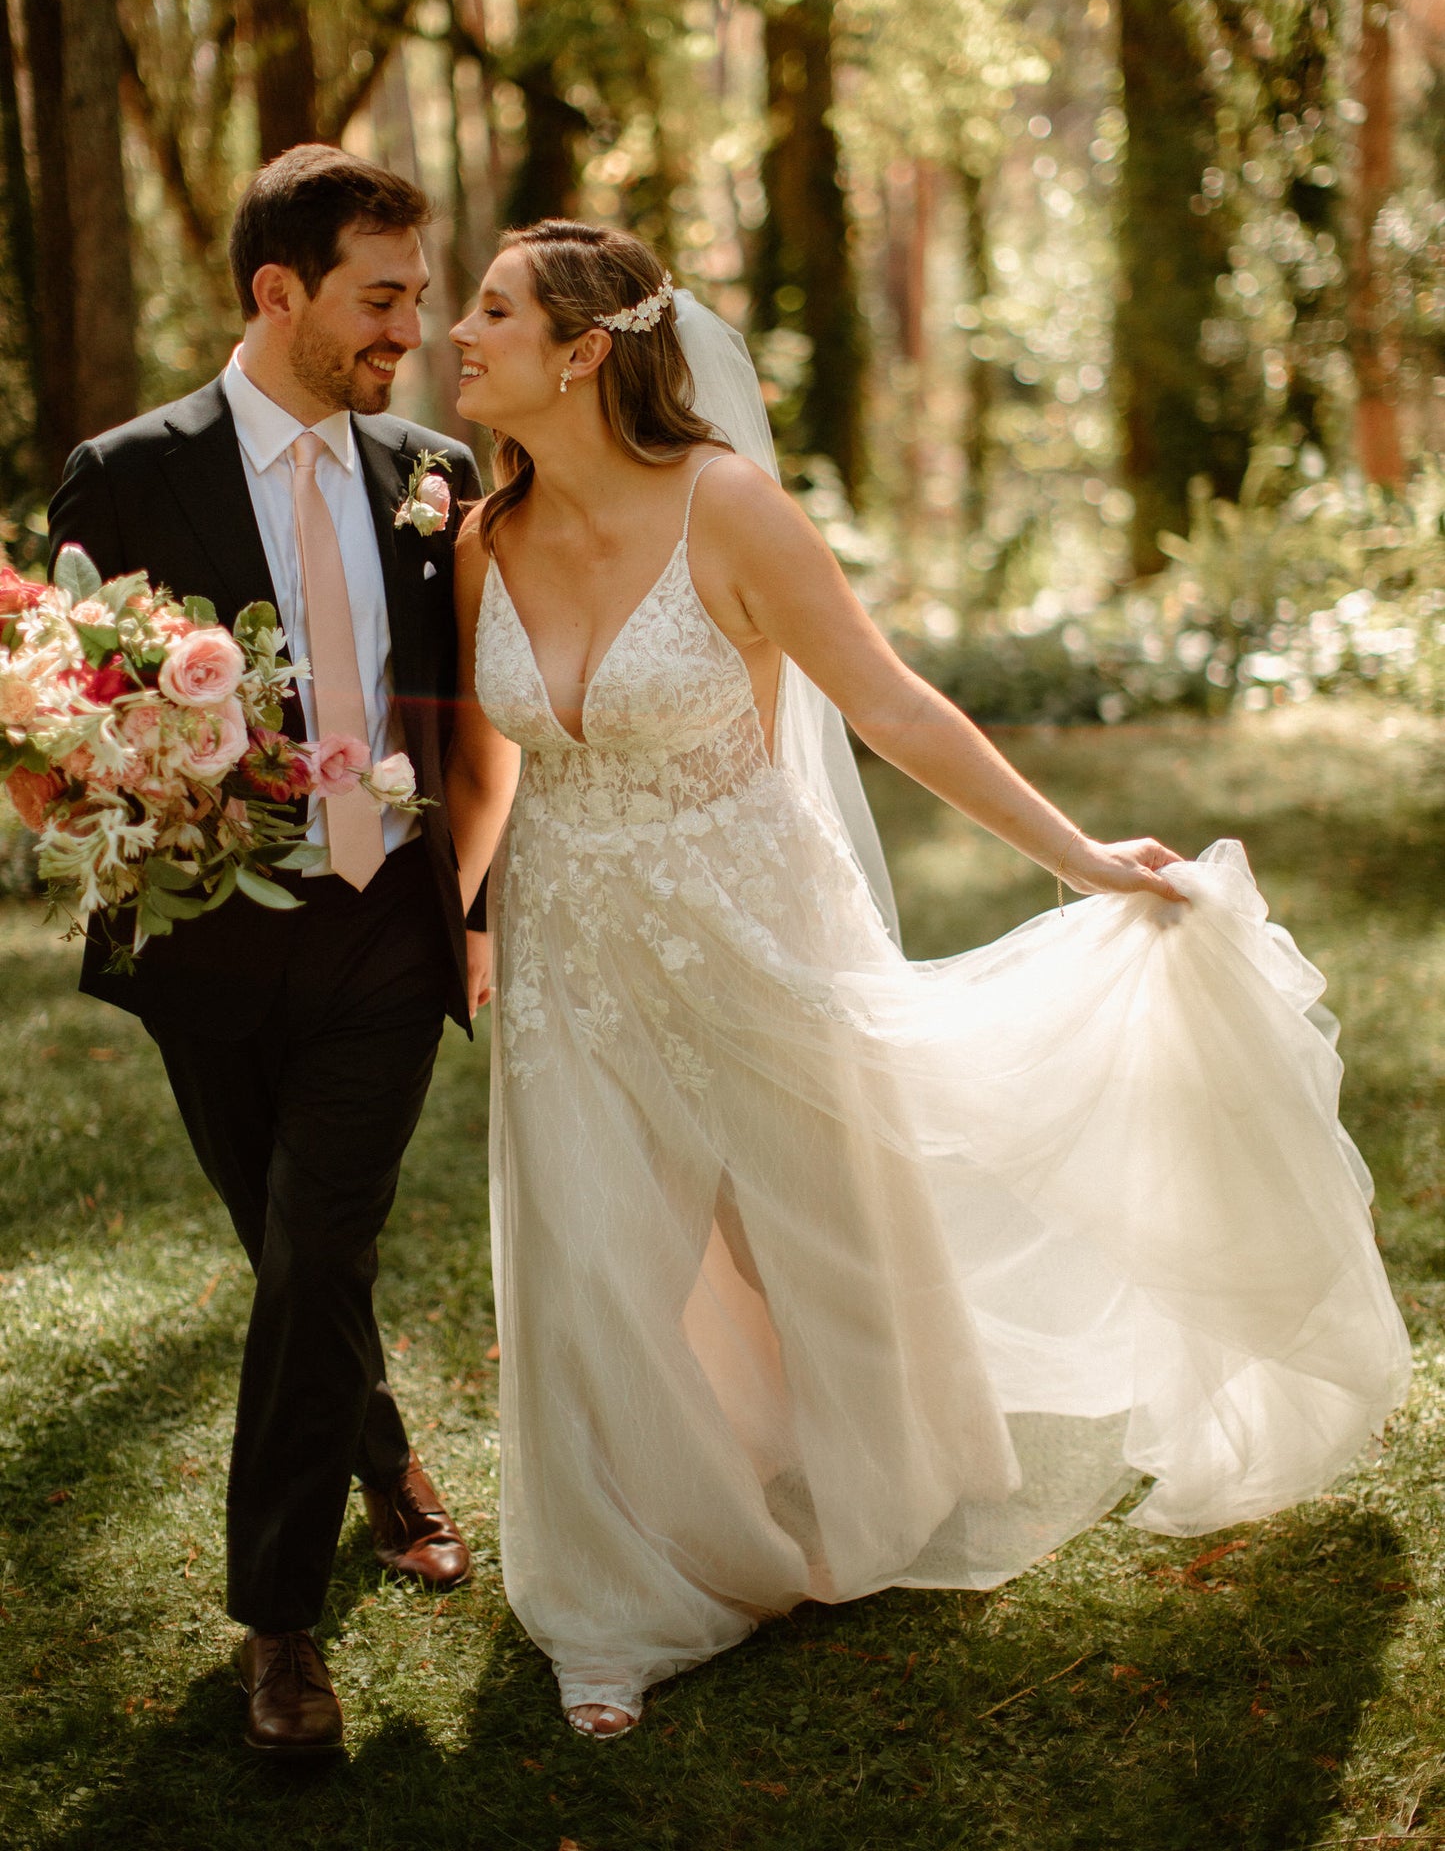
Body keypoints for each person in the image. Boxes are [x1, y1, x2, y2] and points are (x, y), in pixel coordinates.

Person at [444, 219, 1411, 1742]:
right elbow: (487, 766)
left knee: (818, 1231)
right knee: (588, 1260)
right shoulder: (481, 543)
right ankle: (615, 1601)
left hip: (751, 924)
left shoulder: (728, 509)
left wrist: (1080, 854)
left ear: (580, 352)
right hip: (573, 952)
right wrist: (459, 919)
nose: (458, 332)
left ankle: (889, 1477)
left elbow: (890, 703)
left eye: (489, 311)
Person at [48, 145, 486, 1757]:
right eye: (381, 301)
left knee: (320, 1248)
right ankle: (379, 1452)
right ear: (278, 293)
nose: (411, 333)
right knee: (288, 1248)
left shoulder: (432, 473)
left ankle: (280, 1632)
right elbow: (75, 715)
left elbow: (470, 720)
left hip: (384, 923)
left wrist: (480, 906)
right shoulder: (125, 473)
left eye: (422, 301)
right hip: (212, 941)